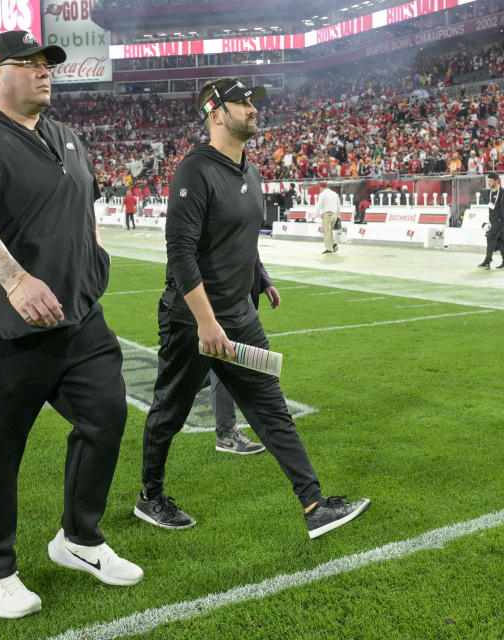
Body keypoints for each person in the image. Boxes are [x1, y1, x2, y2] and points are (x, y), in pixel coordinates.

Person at [0, 30, 142, 620]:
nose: (46, 71)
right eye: (30, 64)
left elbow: (86, 208)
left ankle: (80, 539)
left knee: (106, 417)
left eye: (48, 63)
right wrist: (16, 280)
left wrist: (95, 265)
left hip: (77, 319)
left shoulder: (66, 137)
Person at [135, 76, 370, 540]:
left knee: (270, 405)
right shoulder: (194, 171)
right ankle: (150, 496)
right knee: (170, 410)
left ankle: (315, 504)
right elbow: (180, 253)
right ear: (215, 114)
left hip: (240, 318)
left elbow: (241, 238)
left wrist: (260, 278)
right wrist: (205, 322)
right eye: (242, 102)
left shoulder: (251, 170)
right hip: (192, 323)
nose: (253, 108)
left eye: (253, 101)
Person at [208, 258, 277, 456]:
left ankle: (269, 421)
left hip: (240, 300)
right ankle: (226, 433)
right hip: (221, 299)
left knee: (252, 361)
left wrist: (264, 282)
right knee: (225, 362)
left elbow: (248, 249)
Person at [477, 172, 504, 270]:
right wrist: (490, 220)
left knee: (490, 237)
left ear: (497, 181)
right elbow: (491, 207)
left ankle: (487, 261)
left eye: (491, 181)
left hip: (501, 220)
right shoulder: (489, 192)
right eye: (488, 181)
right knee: (501, 241)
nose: (489, 183)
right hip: (493, 220)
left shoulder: (503, 192)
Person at [316, 181, 339, 254]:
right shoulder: (335, 194)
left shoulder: (322, 194)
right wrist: (338, 215)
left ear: (321, 187)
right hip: (334, 215)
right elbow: (338, 205)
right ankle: (334, 244)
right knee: (329, 231)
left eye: (319, 188)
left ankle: (329, 249)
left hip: (327, 214)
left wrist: (314, 215)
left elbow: (319, 205)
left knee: (326, 232)